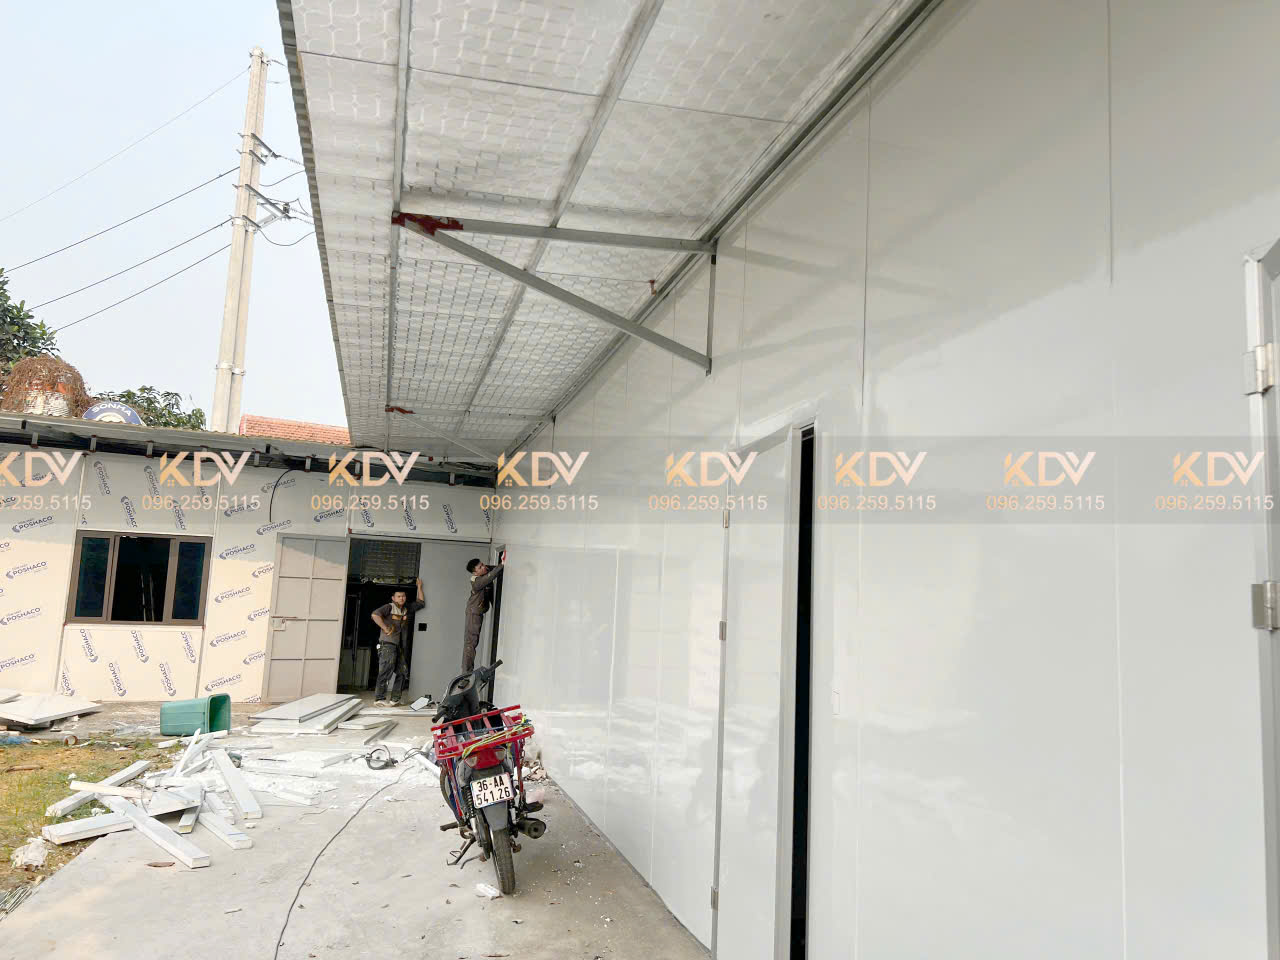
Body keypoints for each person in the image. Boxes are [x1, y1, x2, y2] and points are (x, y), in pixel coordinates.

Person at [370, 578, 424, 706]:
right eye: (399, 596)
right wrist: (385, 628)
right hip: (387, 645)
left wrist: (419, 587)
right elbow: (375, 615)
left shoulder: (406, 609)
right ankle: (379, 699)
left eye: (403, 596)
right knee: (386, 671)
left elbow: (421, 603)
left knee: (402, 672)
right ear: (393, 598)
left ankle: (395, 699)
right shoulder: (389, 607)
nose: (401, 598)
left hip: (398, 646)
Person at [463, 558, 504, 672]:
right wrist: (502, 564)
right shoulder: (476, 582)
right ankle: (466, 673)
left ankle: (467, 672)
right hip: (473, 614)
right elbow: (491, 576)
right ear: (475, 573)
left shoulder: (484, 571)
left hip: (478, 612)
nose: (484, 567)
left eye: (482, 564)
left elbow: (493, 569)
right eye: (480, 567)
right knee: (471, 643)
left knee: (471, 643)